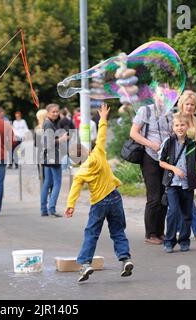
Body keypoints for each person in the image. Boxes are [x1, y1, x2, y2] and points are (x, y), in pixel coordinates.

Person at [65, 104, 133, 283]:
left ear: (75, 162)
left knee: (92, 233)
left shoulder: (80, 172)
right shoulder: (99, 153)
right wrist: (103, 118)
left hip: (99, 203)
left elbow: (75, 189)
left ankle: (86, 263)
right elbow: (102, 135)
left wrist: (70, 206)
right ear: (87, 151)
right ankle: (125, 259)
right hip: (115, 197)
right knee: (118, 230)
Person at [130, 86, 173, 245]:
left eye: (167, 95)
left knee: (164, 196)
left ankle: (160, 232)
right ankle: (150, 234)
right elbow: (133, 133)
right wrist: (152, 144)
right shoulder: (145, 111)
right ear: (155, 95)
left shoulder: (169, 114)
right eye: (161, 94)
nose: (163, 98)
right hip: (150, 157)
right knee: (154, 197)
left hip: (165, 159)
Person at [159, 113, 196, 253]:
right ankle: (169, 241)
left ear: (187, 126)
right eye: (177, 125)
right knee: (173, 212)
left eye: (182, 125)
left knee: (186, 214)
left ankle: (184, 240)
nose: (180, 127)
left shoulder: (192, 143)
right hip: (172, 183)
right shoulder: (168, 142)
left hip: (188, 184)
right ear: (173, 127)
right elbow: (161, 162)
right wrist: (174, 169)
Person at [177, 90, 196, 240]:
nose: (189, 107)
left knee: (185, 195)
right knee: (184, 195)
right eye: (187, 104)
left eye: (192, 105)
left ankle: (178, 227)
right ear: (182, 104)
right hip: (177, 161)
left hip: (190, 161)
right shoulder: (176, 118)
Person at [41, 103, 68, 217]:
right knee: (57, 183)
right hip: (53, 156)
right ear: (48, 113)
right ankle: (51, 208)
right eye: (53, 112)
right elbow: (49, 143)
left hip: (48, 156)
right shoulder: (48, 124)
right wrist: (61, 139)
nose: (56, 113)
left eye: (57, 111)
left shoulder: (49, 123)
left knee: (47, 182)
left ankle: (44, 209)